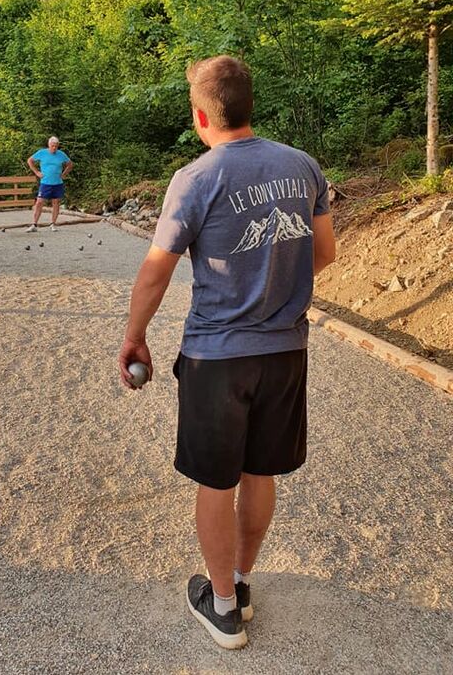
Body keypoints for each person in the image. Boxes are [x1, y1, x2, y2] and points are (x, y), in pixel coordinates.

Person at [118, 56, 336, 650]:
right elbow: (324, 252)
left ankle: (220, 608)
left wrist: (135, 337)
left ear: (200, 115)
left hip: (218, 356)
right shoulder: (302, 166)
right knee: (259, 470)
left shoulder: (195, 178)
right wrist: (277, 288)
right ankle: (241, 583)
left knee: (216, 481)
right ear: (249, 104)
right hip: (285, 351)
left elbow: (154, 274)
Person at [26, 137, 73, 232]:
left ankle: (53, 224)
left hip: (57, 183)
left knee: (56, 203)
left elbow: (70, 164)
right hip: (45, 183)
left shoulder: (61, 154)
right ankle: (34, 224)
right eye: (52, 146)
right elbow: (30, 161)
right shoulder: (42, 153)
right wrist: (37, 172)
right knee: (39, 202)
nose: (54, 148)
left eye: (56, 146)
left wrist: (64, 174)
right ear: (49, 145)